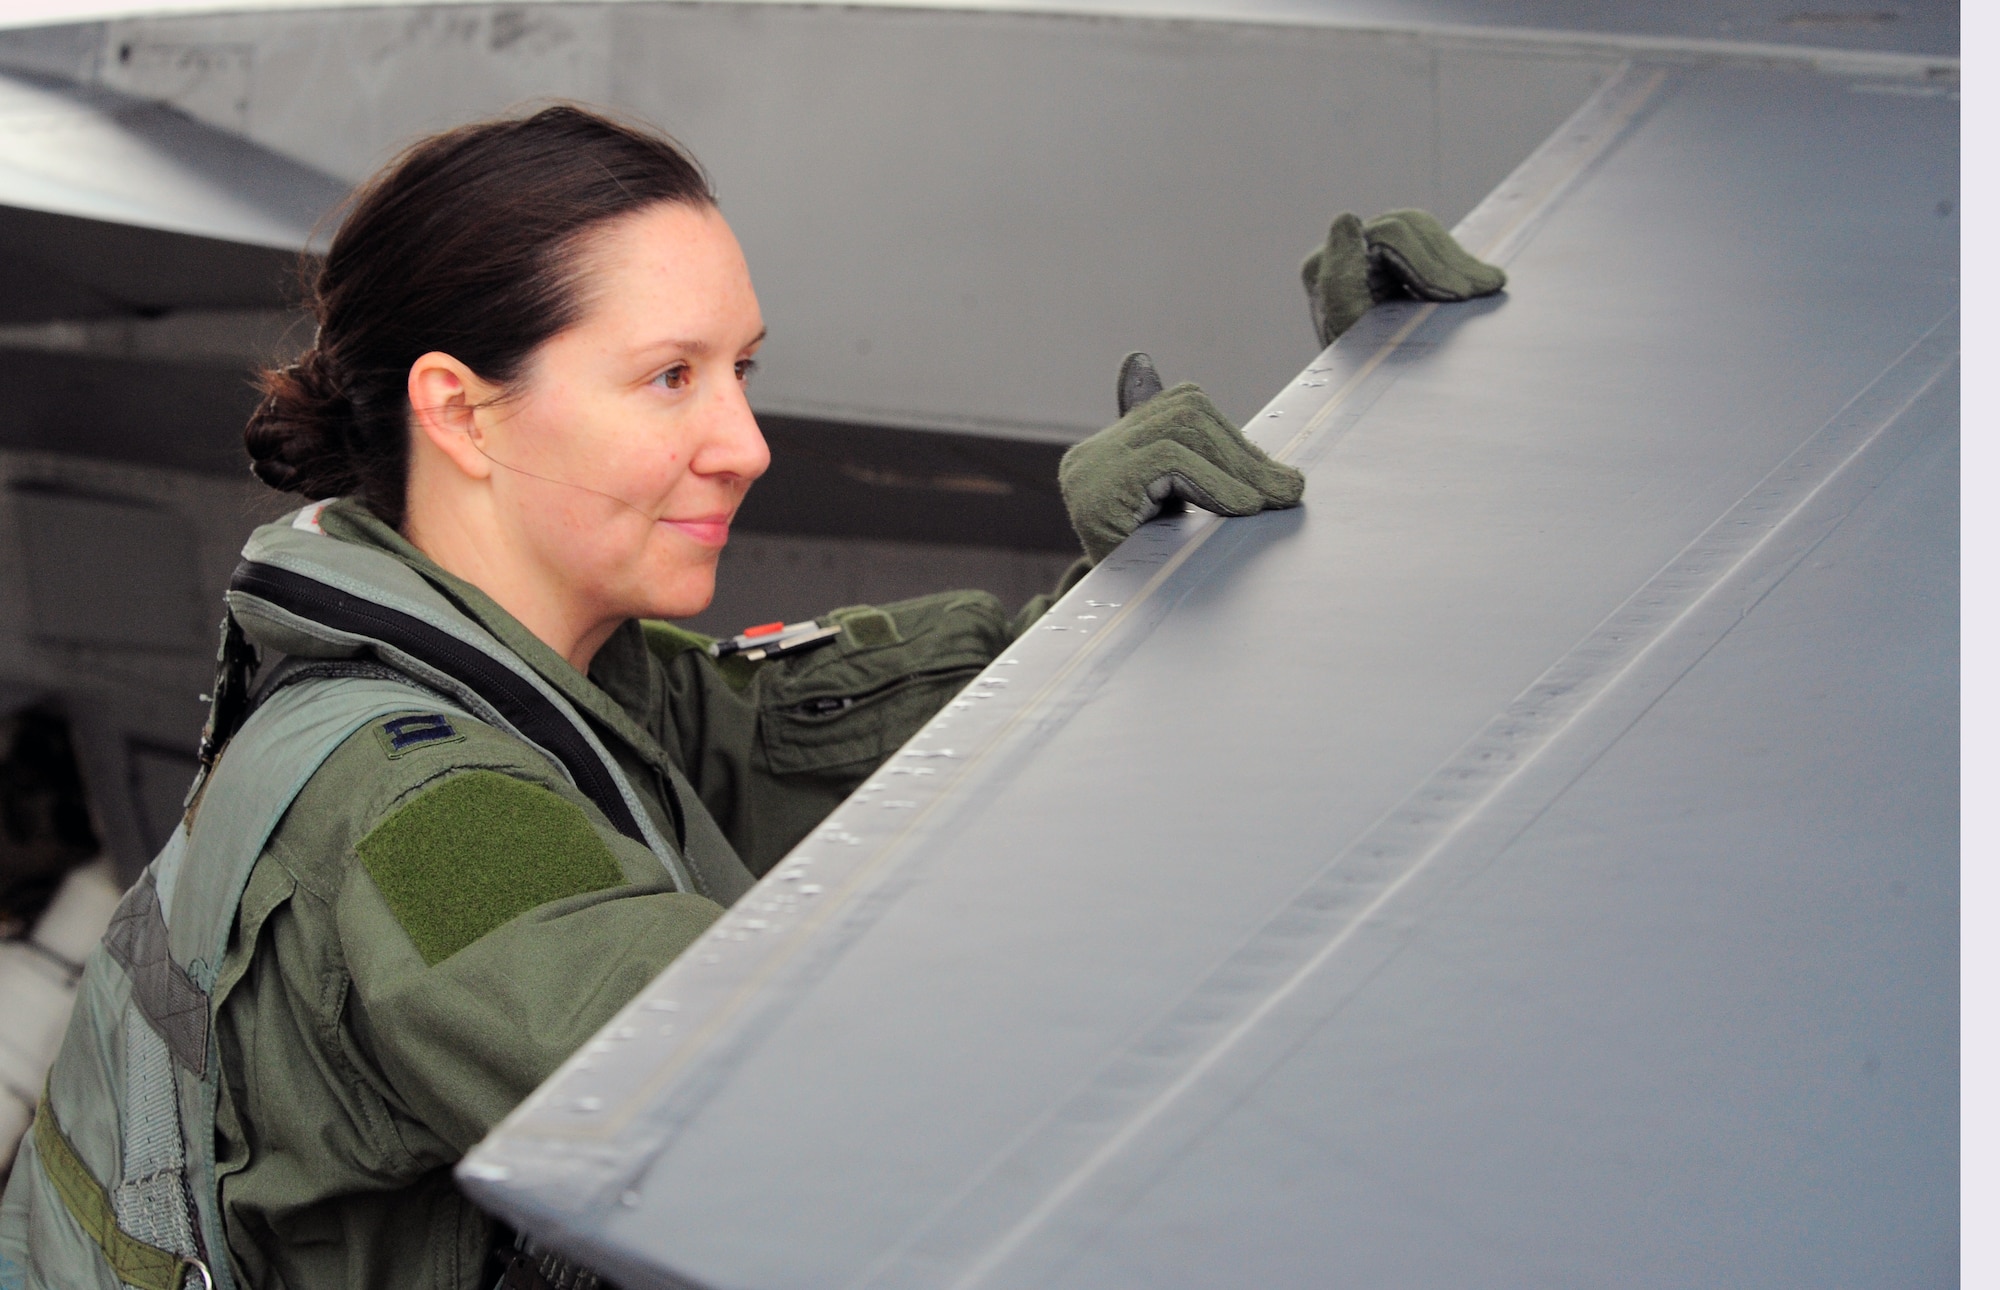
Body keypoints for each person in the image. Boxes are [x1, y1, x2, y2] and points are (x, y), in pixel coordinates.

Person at [0, 104, 1497, 1290]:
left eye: (743, 371)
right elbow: (783, 1118)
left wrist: (1196, 558)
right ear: (459, 409)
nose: (745, 442)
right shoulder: (429, 816)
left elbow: (812, 748)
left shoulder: (559, 674)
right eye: (669, 379)